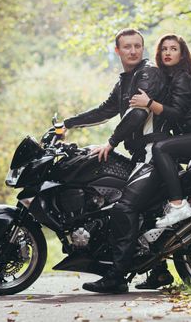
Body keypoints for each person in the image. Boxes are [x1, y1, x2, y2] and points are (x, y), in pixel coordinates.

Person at [63, 28, 171, 293]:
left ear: (143, 49)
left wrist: (110, 143)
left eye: (137, 46)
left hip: (153, 152)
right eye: (127, 47)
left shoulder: (148, 74)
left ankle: (117, 277)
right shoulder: (125, 80)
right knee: (129, 205)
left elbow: (136, 115)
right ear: (118, 50)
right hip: (141, 155)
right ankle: (158, 271)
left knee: (124, 208)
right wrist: (67, 124)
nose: (133, 51)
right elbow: (105, 110)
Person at [130, 33, 191, 228]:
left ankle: (177, 205)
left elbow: (175, 114)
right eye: (164, 49)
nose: (168, 53)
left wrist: (148, 103)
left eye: (173, 49)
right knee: (173, 163)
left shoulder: (182, 78)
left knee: (161, 149)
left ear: (182, 55)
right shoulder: (169, 78)